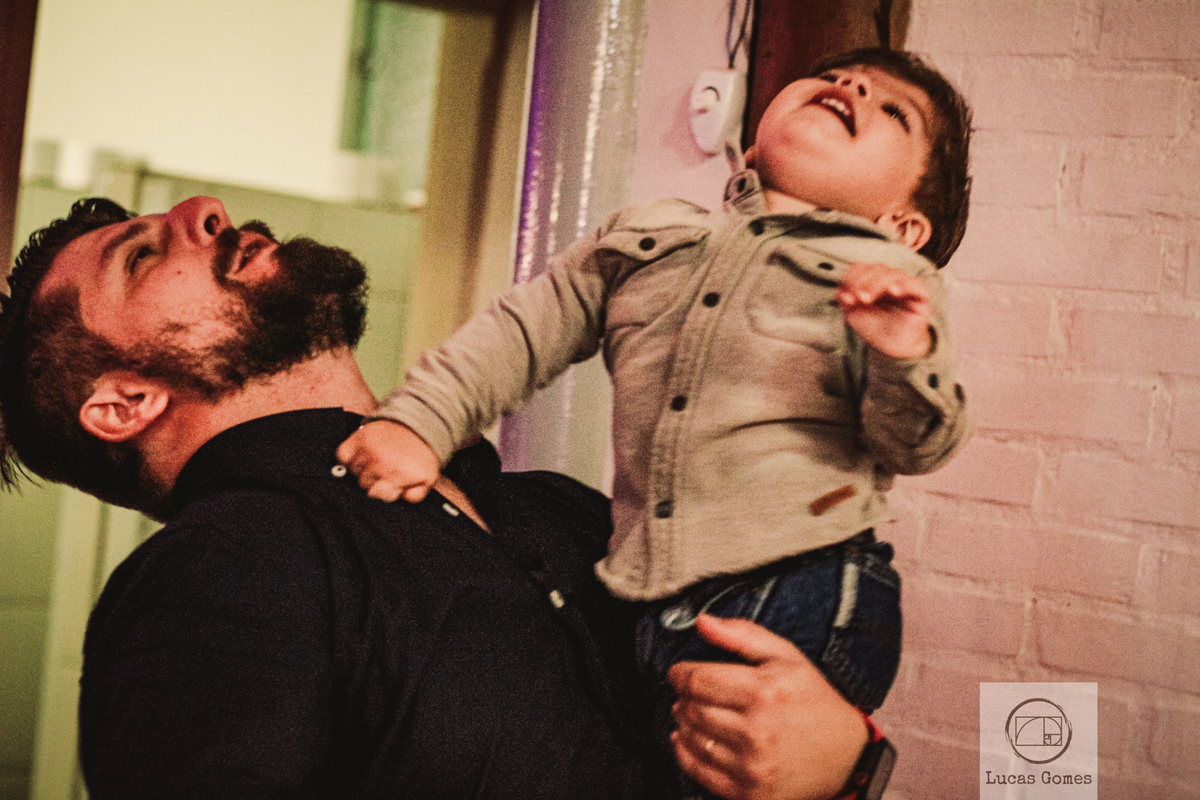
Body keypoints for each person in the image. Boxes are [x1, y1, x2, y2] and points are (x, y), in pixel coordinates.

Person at [0, 195, 886, 799]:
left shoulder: (566, 514)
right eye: (145, 255)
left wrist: (844, 765)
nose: (207, 212)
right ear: (123, 403)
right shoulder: (212, 578)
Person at [337, 47, 972, 796]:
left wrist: (903, 354)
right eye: (835, 78)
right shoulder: (650, 237)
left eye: (893, 110)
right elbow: (520, 332)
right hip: (643, 596)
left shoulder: (890, 290)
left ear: (905, 225)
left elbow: (916, 443)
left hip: (801, 583)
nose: (852, 87)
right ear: (754, 138)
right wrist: (420, 422)